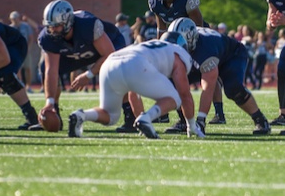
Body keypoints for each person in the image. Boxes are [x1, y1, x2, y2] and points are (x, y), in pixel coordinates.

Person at [68, 33, 204, 140]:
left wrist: (141, 123)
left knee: (111, 116)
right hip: (134, 62)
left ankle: (81, 115)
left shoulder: (150, 46)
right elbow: (184, 94)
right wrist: (191, 125)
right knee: (175, 97)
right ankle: (146, 118)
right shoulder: (178, 53)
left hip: (110, 63)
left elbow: (133, 93)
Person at [37, 0, 129, 133]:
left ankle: (130, 115)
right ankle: (54, 110)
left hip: (107, 46)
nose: (53, 30)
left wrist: (89, 75)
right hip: (76, 51)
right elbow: (51, 70)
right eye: (50, 26)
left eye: (56, 26)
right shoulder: (48, 36)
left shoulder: (88, 25)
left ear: (68, 22)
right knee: (44, 66)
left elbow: (109, 54)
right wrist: (49, 102)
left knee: (116, 69)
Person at [167, 18, 271, 135]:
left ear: (191, 39)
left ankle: (260, 120)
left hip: (231, 56)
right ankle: (183, 121)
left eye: (180, 43)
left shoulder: (205, 49)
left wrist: (201, 121)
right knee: (171, 82)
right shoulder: (186, 42)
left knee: (233, 88)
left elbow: (208, 88)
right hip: (208, 54)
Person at [8, 10, 38, 90]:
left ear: (18, 18)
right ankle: (21, 85)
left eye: (15, 18)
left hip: (25, 50)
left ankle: (29, 86)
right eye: (12, 19)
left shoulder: (26, 26)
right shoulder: (10, 28)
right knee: (18, 69)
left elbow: (31, 38)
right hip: (16, 51)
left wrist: (28, 48)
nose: (14, 20)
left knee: (28, 68)